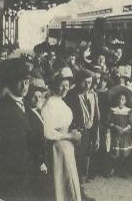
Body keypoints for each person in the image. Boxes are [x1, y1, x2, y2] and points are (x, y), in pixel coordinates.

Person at [0, 58, 34, 199]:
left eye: (27, 82)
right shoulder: (3, 107)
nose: (25, 86)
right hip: (9, 174)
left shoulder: (23, 103)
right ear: (10, 82)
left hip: (23, 171)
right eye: (20, 81)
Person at [41, 67, 85, 201]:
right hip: (58, 148)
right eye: (62, 85)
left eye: (67, 85)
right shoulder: (50, 103)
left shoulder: (61, 101)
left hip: (67, 147)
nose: (65, 88)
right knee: (62, 181)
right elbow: (48, 132)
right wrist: (70, 136)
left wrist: (73, 133)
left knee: (69, 179)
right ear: (55, 84)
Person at [64, 69, 100, 185]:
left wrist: (96, 136)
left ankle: (82, 184)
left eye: (89, 82)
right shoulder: (71, 95)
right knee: (75, 159)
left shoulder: (93, 95)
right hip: (76, 132)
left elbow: (96, 118)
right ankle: (73, 186)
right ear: (79, 81)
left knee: (86, 158)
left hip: (88, 132)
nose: (87, 85)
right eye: (84, 82)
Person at [24, 76, 50, 197]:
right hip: (35, 160)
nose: (37, 99)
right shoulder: (28, 114)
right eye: (34, 96)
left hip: (42, 155)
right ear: (28, 97)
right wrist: (40, 162)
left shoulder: (38, 112)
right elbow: (33, 141)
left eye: (40, 97)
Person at [105, 85, 132, 177]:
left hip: (125, 134)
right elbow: (108, 121)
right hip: (115, 133)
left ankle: (122, 170)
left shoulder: (128, 111)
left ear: (125, 101)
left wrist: (124, 129)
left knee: (124, 154)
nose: (120, 101)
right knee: (114, 153)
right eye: (119, 99)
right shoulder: (113, 110)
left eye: (122, 99)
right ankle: (111, 169)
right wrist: (115, 127)